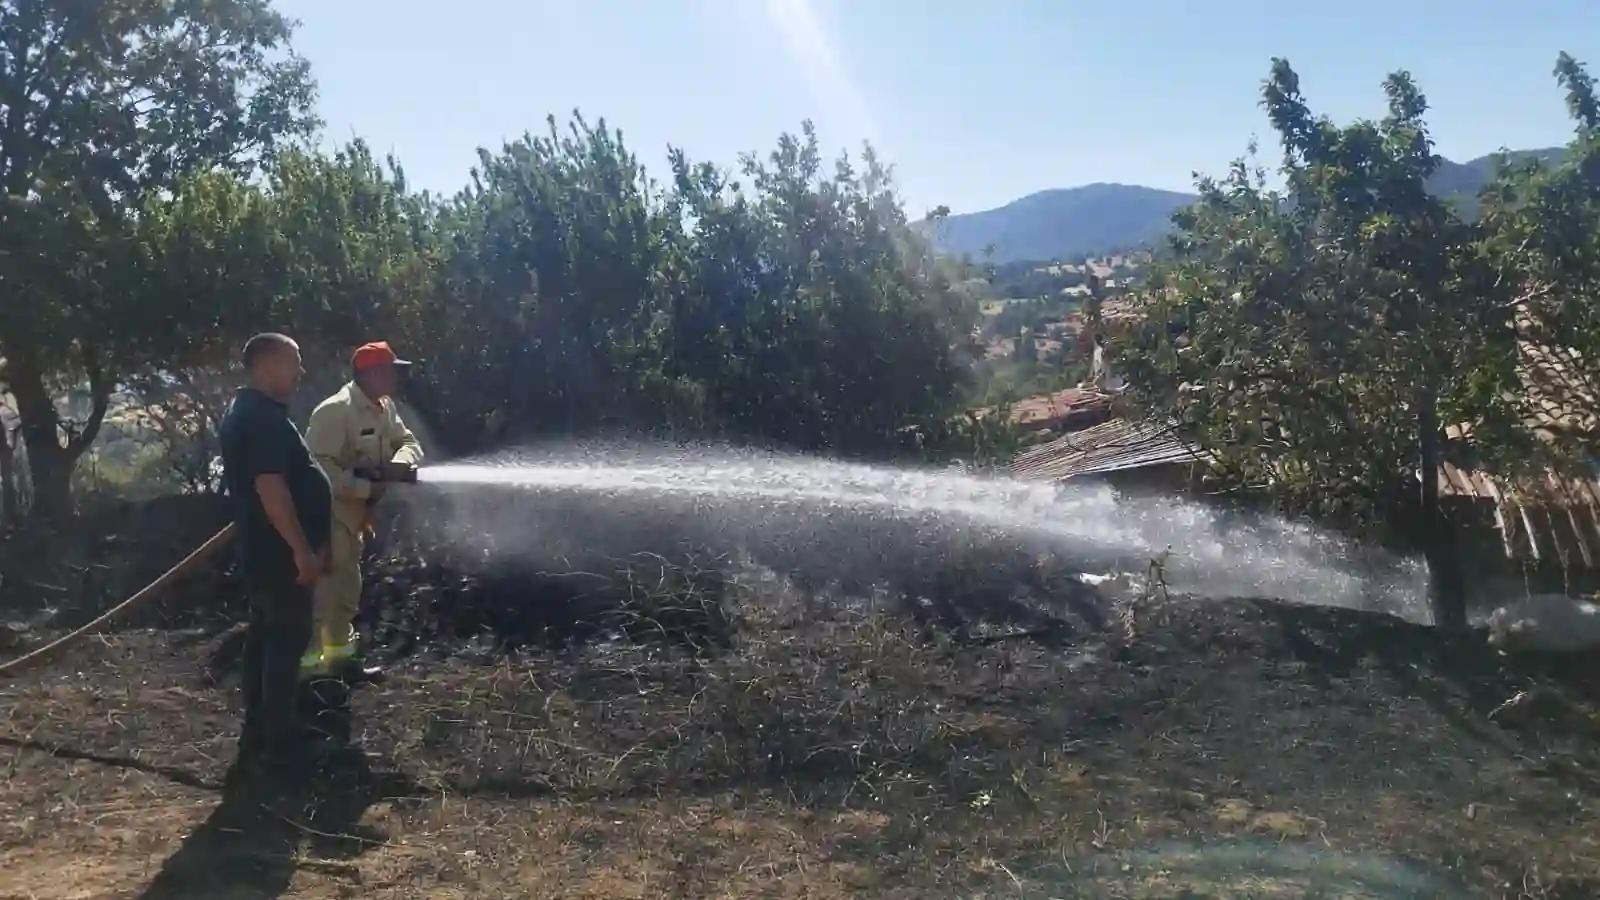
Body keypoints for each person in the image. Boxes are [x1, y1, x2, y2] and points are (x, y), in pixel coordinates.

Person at [218, 332, 332, 777]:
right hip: (280, 555)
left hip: (264, 552)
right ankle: (282, 748)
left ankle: (262, 730)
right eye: (293, 361)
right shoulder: (261, 418)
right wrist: (302, 551)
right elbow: (272, 489)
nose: (300, 370)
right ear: (267, 365)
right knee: (285, 642)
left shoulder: (248, 411)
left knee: (265, 639)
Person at [302, 341, 424, 682]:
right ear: (370, 374)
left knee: (346, 595)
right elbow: (315, 470)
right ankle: (309, 676)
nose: (396, 378)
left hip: (354, 518)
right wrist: (365, 488)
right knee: (322, 597)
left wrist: (400, 464)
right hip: (327, 515)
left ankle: (342, 664)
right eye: (391, 371)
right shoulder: (335, 411)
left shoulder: (384, 408)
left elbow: (409, 443)